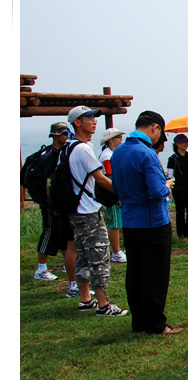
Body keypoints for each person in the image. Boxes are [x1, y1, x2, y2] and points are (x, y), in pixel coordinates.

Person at [110, 110, 182, 335]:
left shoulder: (118, 152)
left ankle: (139, 322)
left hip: (130, 221)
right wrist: (167, 185)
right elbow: (155, 190)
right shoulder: (146, 153)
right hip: (153, 222)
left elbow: (117, 187)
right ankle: (156, 324)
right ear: (155, 128)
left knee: (136, 273)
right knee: (156, 275)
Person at [65, 105, 128, 317]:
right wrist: (124, 192)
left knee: (83, 254)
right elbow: (100, 179)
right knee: (99, 256)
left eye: (94, 117)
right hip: (88, 210)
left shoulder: (69, 147)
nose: (94, 121)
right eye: (89, 118)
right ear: (77, 122)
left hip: (75, 210)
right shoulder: (83, 149)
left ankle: (85, 298)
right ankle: (104, 304)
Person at [32, 122, 80, 297]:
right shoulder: (49, 156)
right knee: (49, 232)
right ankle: (41, 268)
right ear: (58, 135)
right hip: (50, 204)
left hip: (59, 204)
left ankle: (64, 266)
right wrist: (52, 205)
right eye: (65, 135)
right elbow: (48, 183)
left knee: (64, 237)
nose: (67, 138)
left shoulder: (61, 154)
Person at [98, 127, 127, 263]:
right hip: (111, 194)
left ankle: (118, 249)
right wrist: (119, 195)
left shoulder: (111, 154)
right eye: (118, 137)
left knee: (118, 221)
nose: (121, 140)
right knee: (114, 222)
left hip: (115, 192)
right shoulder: (107, 156)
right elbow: (110, 175)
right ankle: (116, 251)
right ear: (110, 140)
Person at [166, 134, 188, 241]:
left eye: (187, 142)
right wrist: (169, 190)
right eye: (183, 142)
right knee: (180, 211)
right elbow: (170, 175)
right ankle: (181, 234)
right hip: (179, 188)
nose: (186, 145)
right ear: (177, 144)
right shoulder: (173, 158)